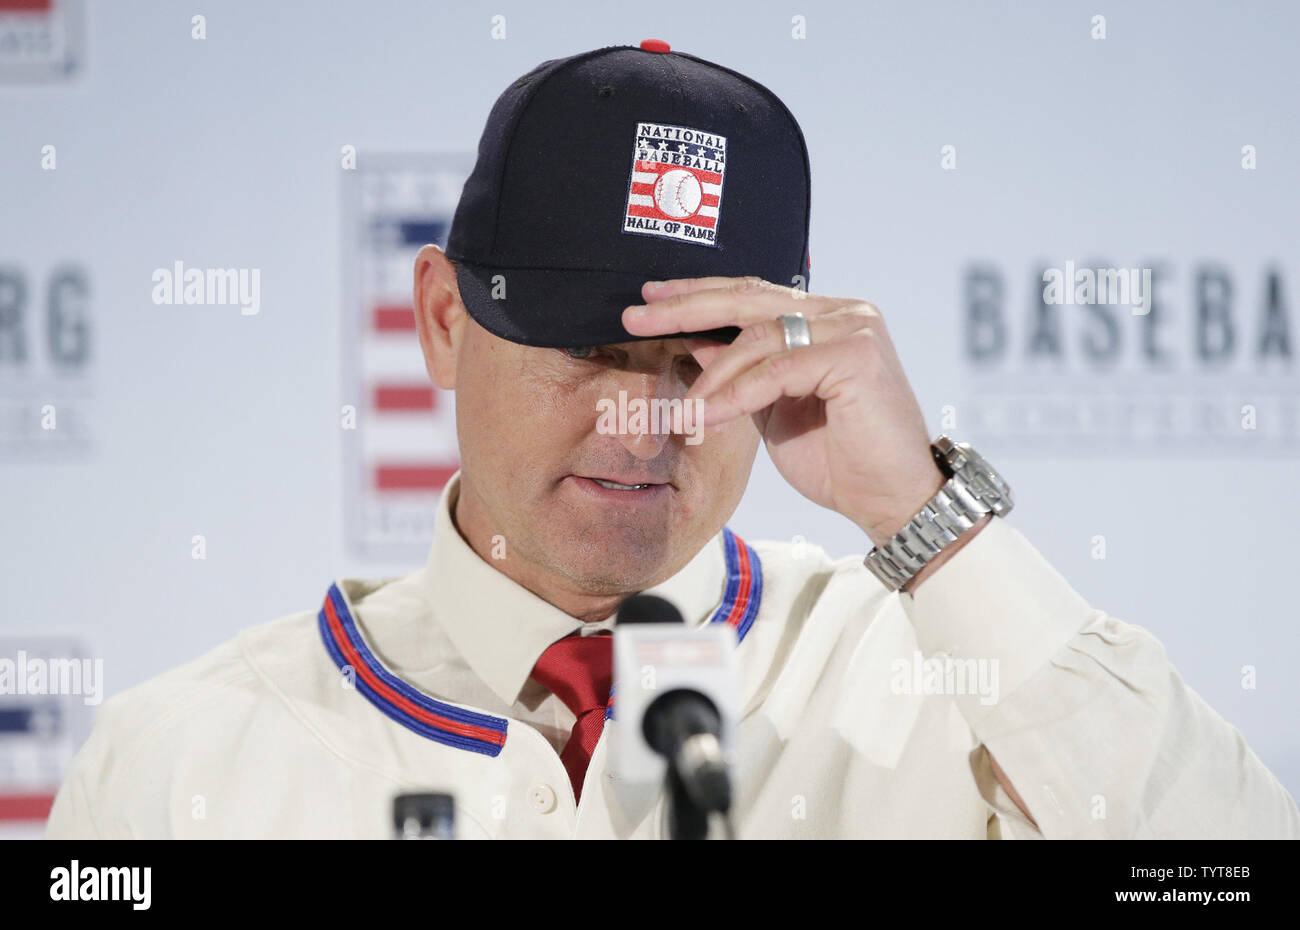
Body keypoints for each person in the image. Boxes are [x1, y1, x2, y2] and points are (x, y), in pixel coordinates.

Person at [46, 41, 1299, 839]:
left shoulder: (935, 682)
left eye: (704, 356)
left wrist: (922, 518)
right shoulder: (183, 762)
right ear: (441, 321)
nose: (641, 417)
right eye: (589, 345)